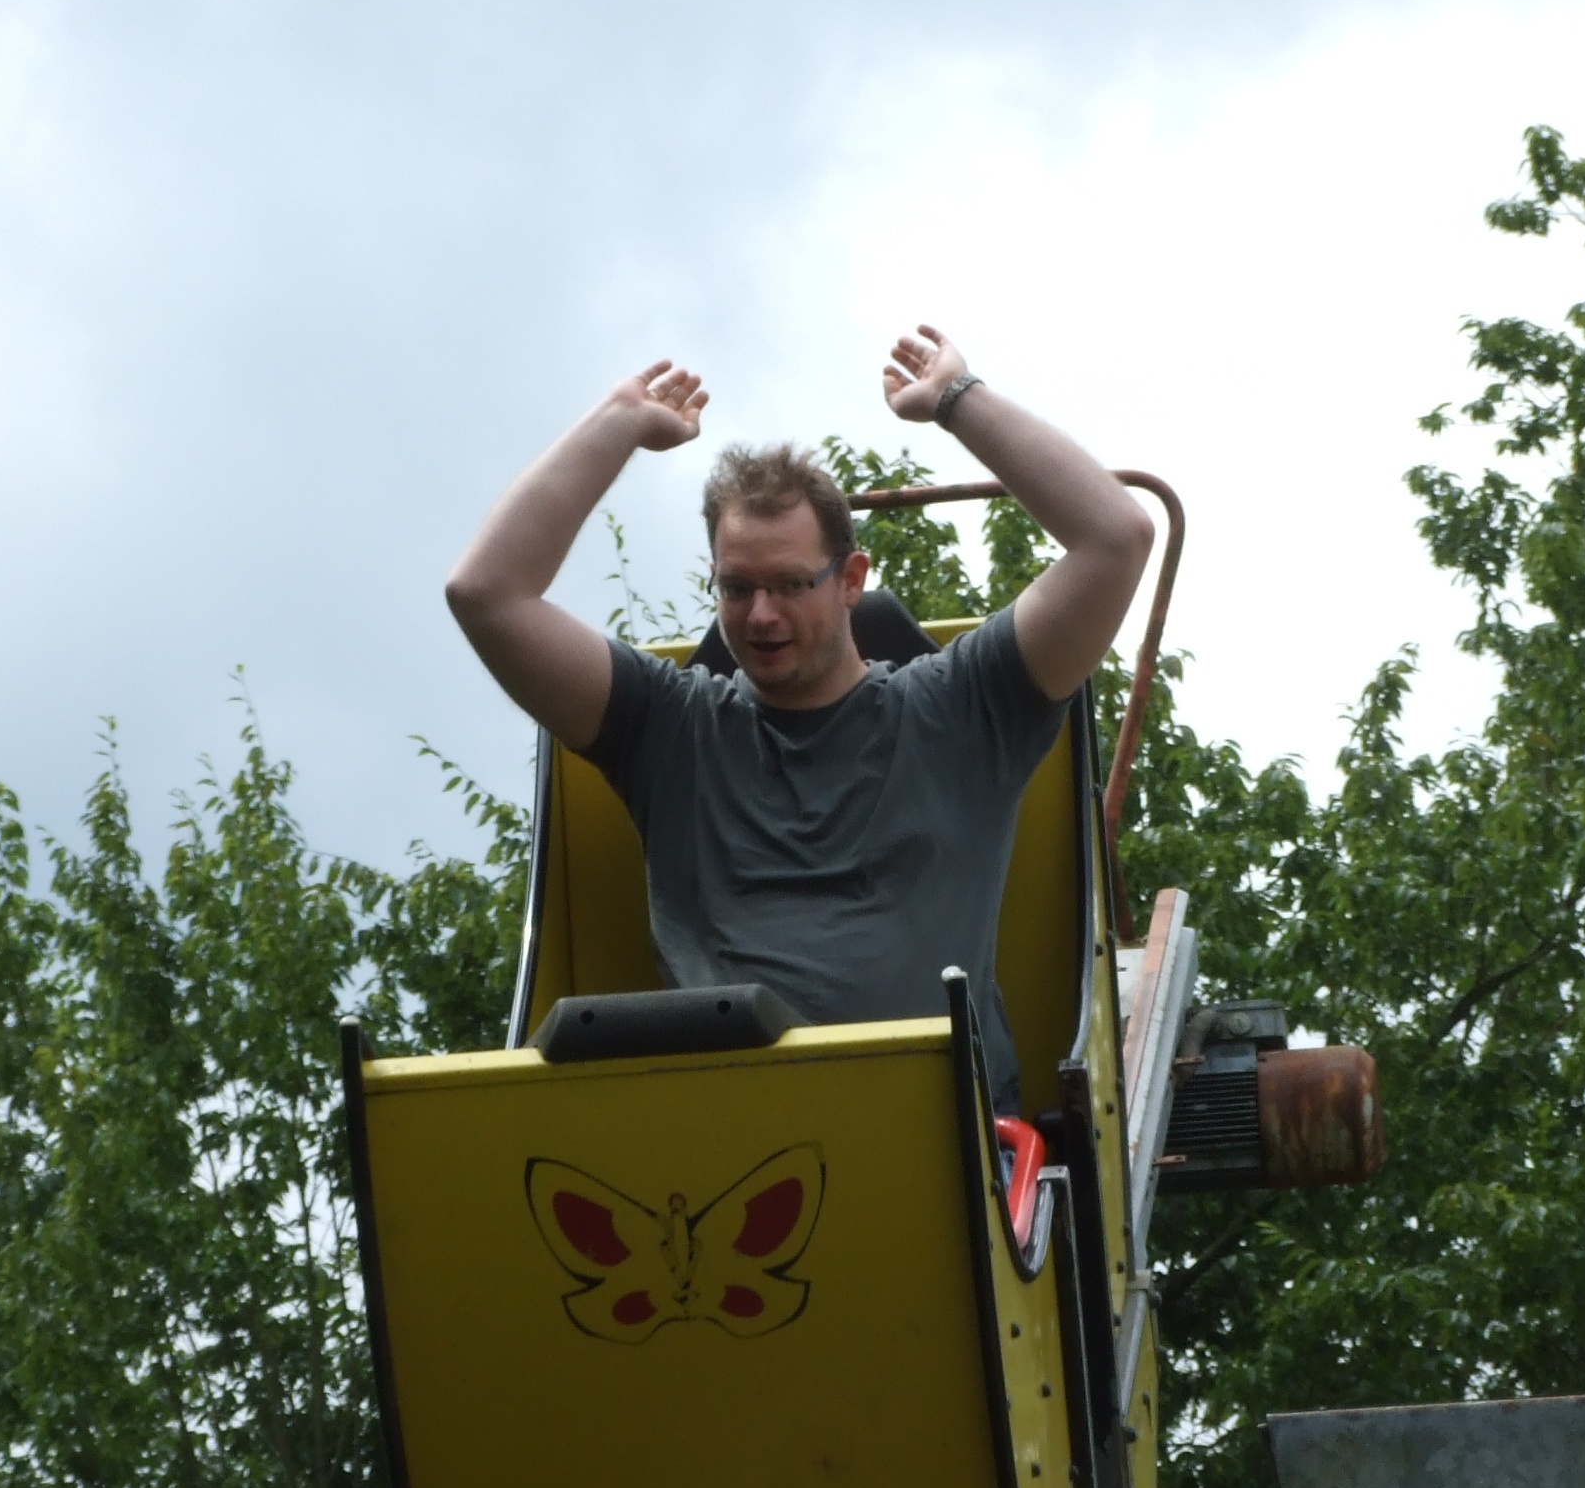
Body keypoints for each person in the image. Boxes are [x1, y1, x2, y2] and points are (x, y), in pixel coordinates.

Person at [444, 327, 1155, 1108]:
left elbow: (1116, 538)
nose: (761, 615)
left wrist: (956, 399)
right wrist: (619, 420)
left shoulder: (963, 707)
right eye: (737, 588)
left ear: (851, 579)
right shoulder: (670, 728)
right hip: (734, 1145)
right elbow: (486, 594)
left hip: (942, 1140)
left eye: (790, 584)